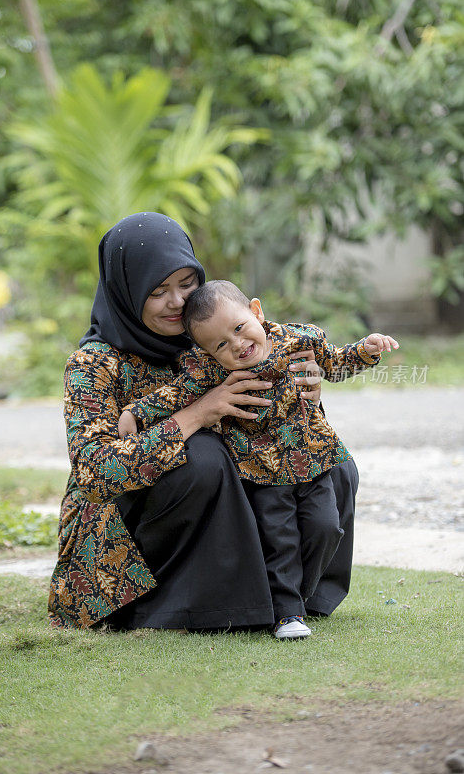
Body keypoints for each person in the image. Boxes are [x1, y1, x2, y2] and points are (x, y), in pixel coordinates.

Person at [48, 213, 345, 634]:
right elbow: (96, 473)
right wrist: (197, 414)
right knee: (202, 457)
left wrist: (306, 389)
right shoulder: (95, 363)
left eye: (187, 284)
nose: (178, 302)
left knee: (327, 460)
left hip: (226, 490)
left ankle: (295, 598)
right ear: (126, 294)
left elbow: (280, 413)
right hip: (117, 532)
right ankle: (164, 608)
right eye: (157, 291)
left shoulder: (214, 336)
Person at [118, 280, 398, 638]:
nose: (238, 344)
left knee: (325, 526)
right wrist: (136, 413)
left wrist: (366, 350)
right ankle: (287, 613)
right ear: (207, 352)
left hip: (311, 460)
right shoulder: (211, 370)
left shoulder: (299, 340)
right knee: (279, 538)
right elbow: (175, 393)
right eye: (221, 344)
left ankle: (299, 595)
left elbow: (336, 364)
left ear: (255, 311)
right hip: (261, 468)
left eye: (239, 328)